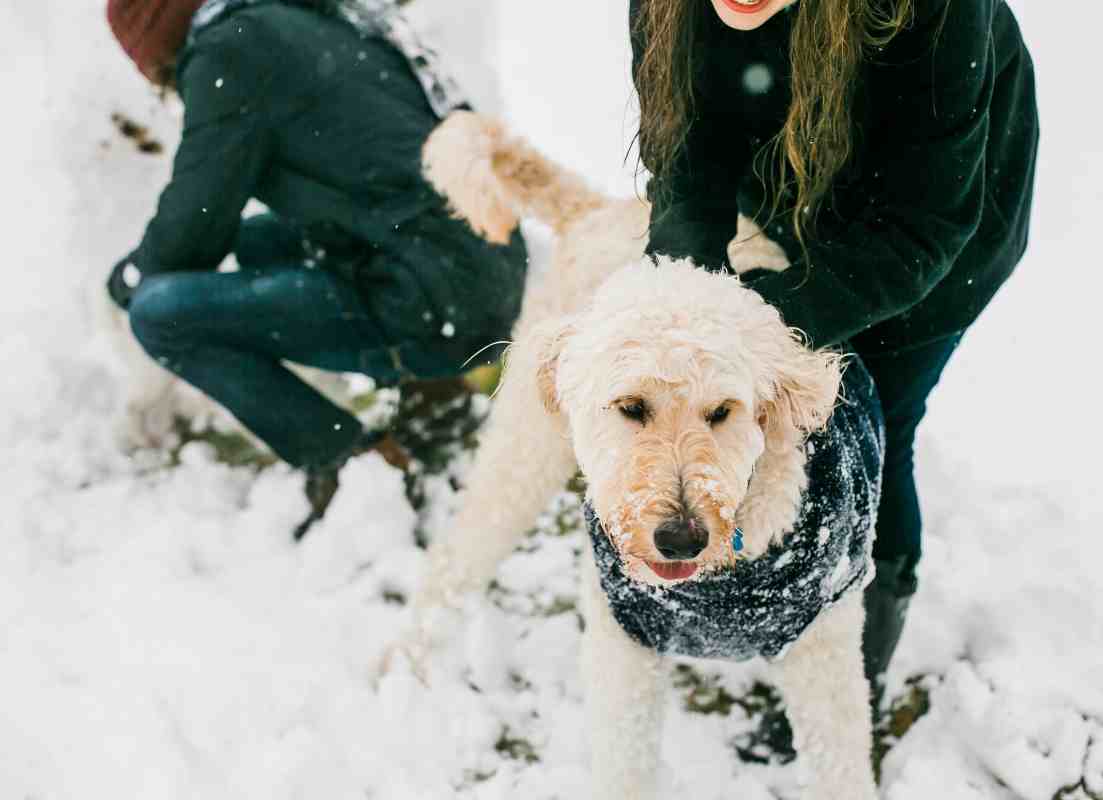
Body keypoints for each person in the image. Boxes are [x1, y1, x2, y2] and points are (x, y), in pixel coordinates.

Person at [630, 0, 1038, 715]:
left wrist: (758, 322)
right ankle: (785, 605)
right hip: (792, 191)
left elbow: (922, 226)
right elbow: (688, 157)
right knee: (762, 416)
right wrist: (687, 304)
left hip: (939, 239)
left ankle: (855, 667)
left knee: (878, 424)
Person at [104, 0, 528, 538]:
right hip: (480, 263)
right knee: (258, 241)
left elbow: (197, 220)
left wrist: (131, 277)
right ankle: (435, 397)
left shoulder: (228, 54)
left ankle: (352, 461)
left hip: (432, 293)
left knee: (159, 314)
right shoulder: (299, 18)